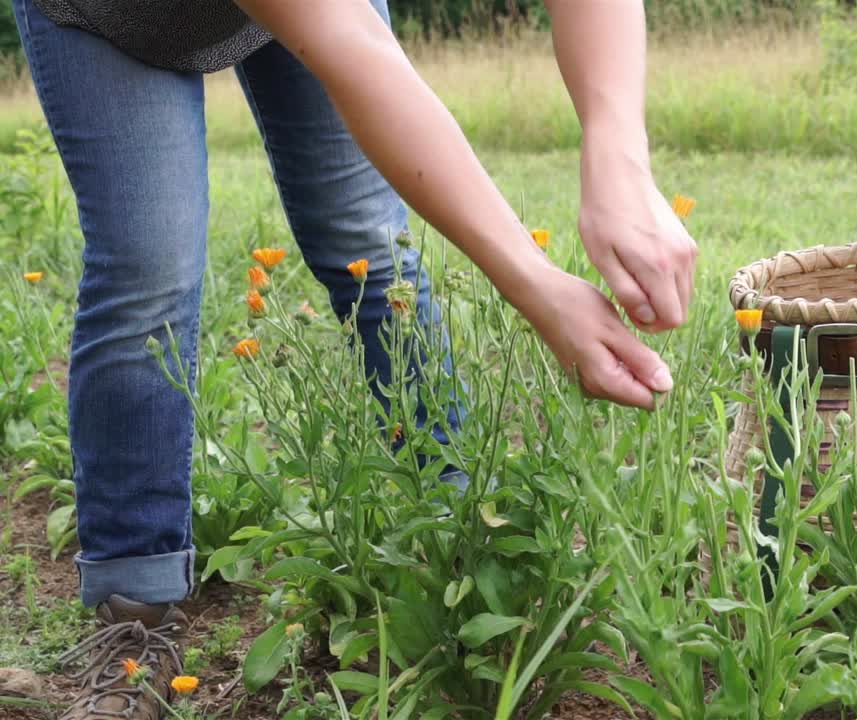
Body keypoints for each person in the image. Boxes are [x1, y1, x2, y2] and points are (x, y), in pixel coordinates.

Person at [12, 0, 697, 716]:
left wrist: (618, 154)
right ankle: (135, 618)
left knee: (373, 251)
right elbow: (346, 40)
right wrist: (538, 284)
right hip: (108, 17)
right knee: (146, 271)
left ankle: (458, 537)